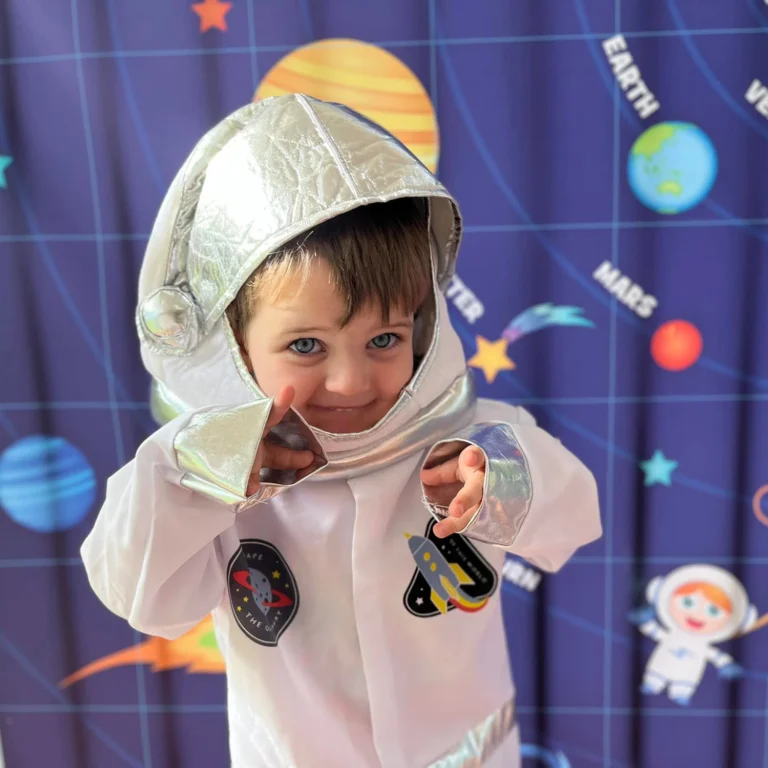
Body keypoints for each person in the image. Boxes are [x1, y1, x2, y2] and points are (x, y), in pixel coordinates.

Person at [81, 94, 602, 768]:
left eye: (383, 337)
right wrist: (190, 475)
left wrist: (500, 477)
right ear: (234, 346)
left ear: (422, 326)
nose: (353, 382)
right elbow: (144, 598)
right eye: (306, 346)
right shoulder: (210, 478)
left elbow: (575, 516)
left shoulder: (470, 440)